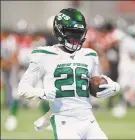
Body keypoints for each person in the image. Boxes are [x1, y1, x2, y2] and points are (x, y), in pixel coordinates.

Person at [18, 8, 120, 139]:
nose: (75, 38)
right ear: (58, 30)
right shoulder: (43, 55)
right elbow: (22, 88)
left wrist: (113, 86)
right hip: (64, 121)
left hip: (89, 119)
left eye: (79, 33)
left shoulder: (89, 55)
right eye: (71, 33)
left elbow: (93, 85)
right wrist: (42, 93)